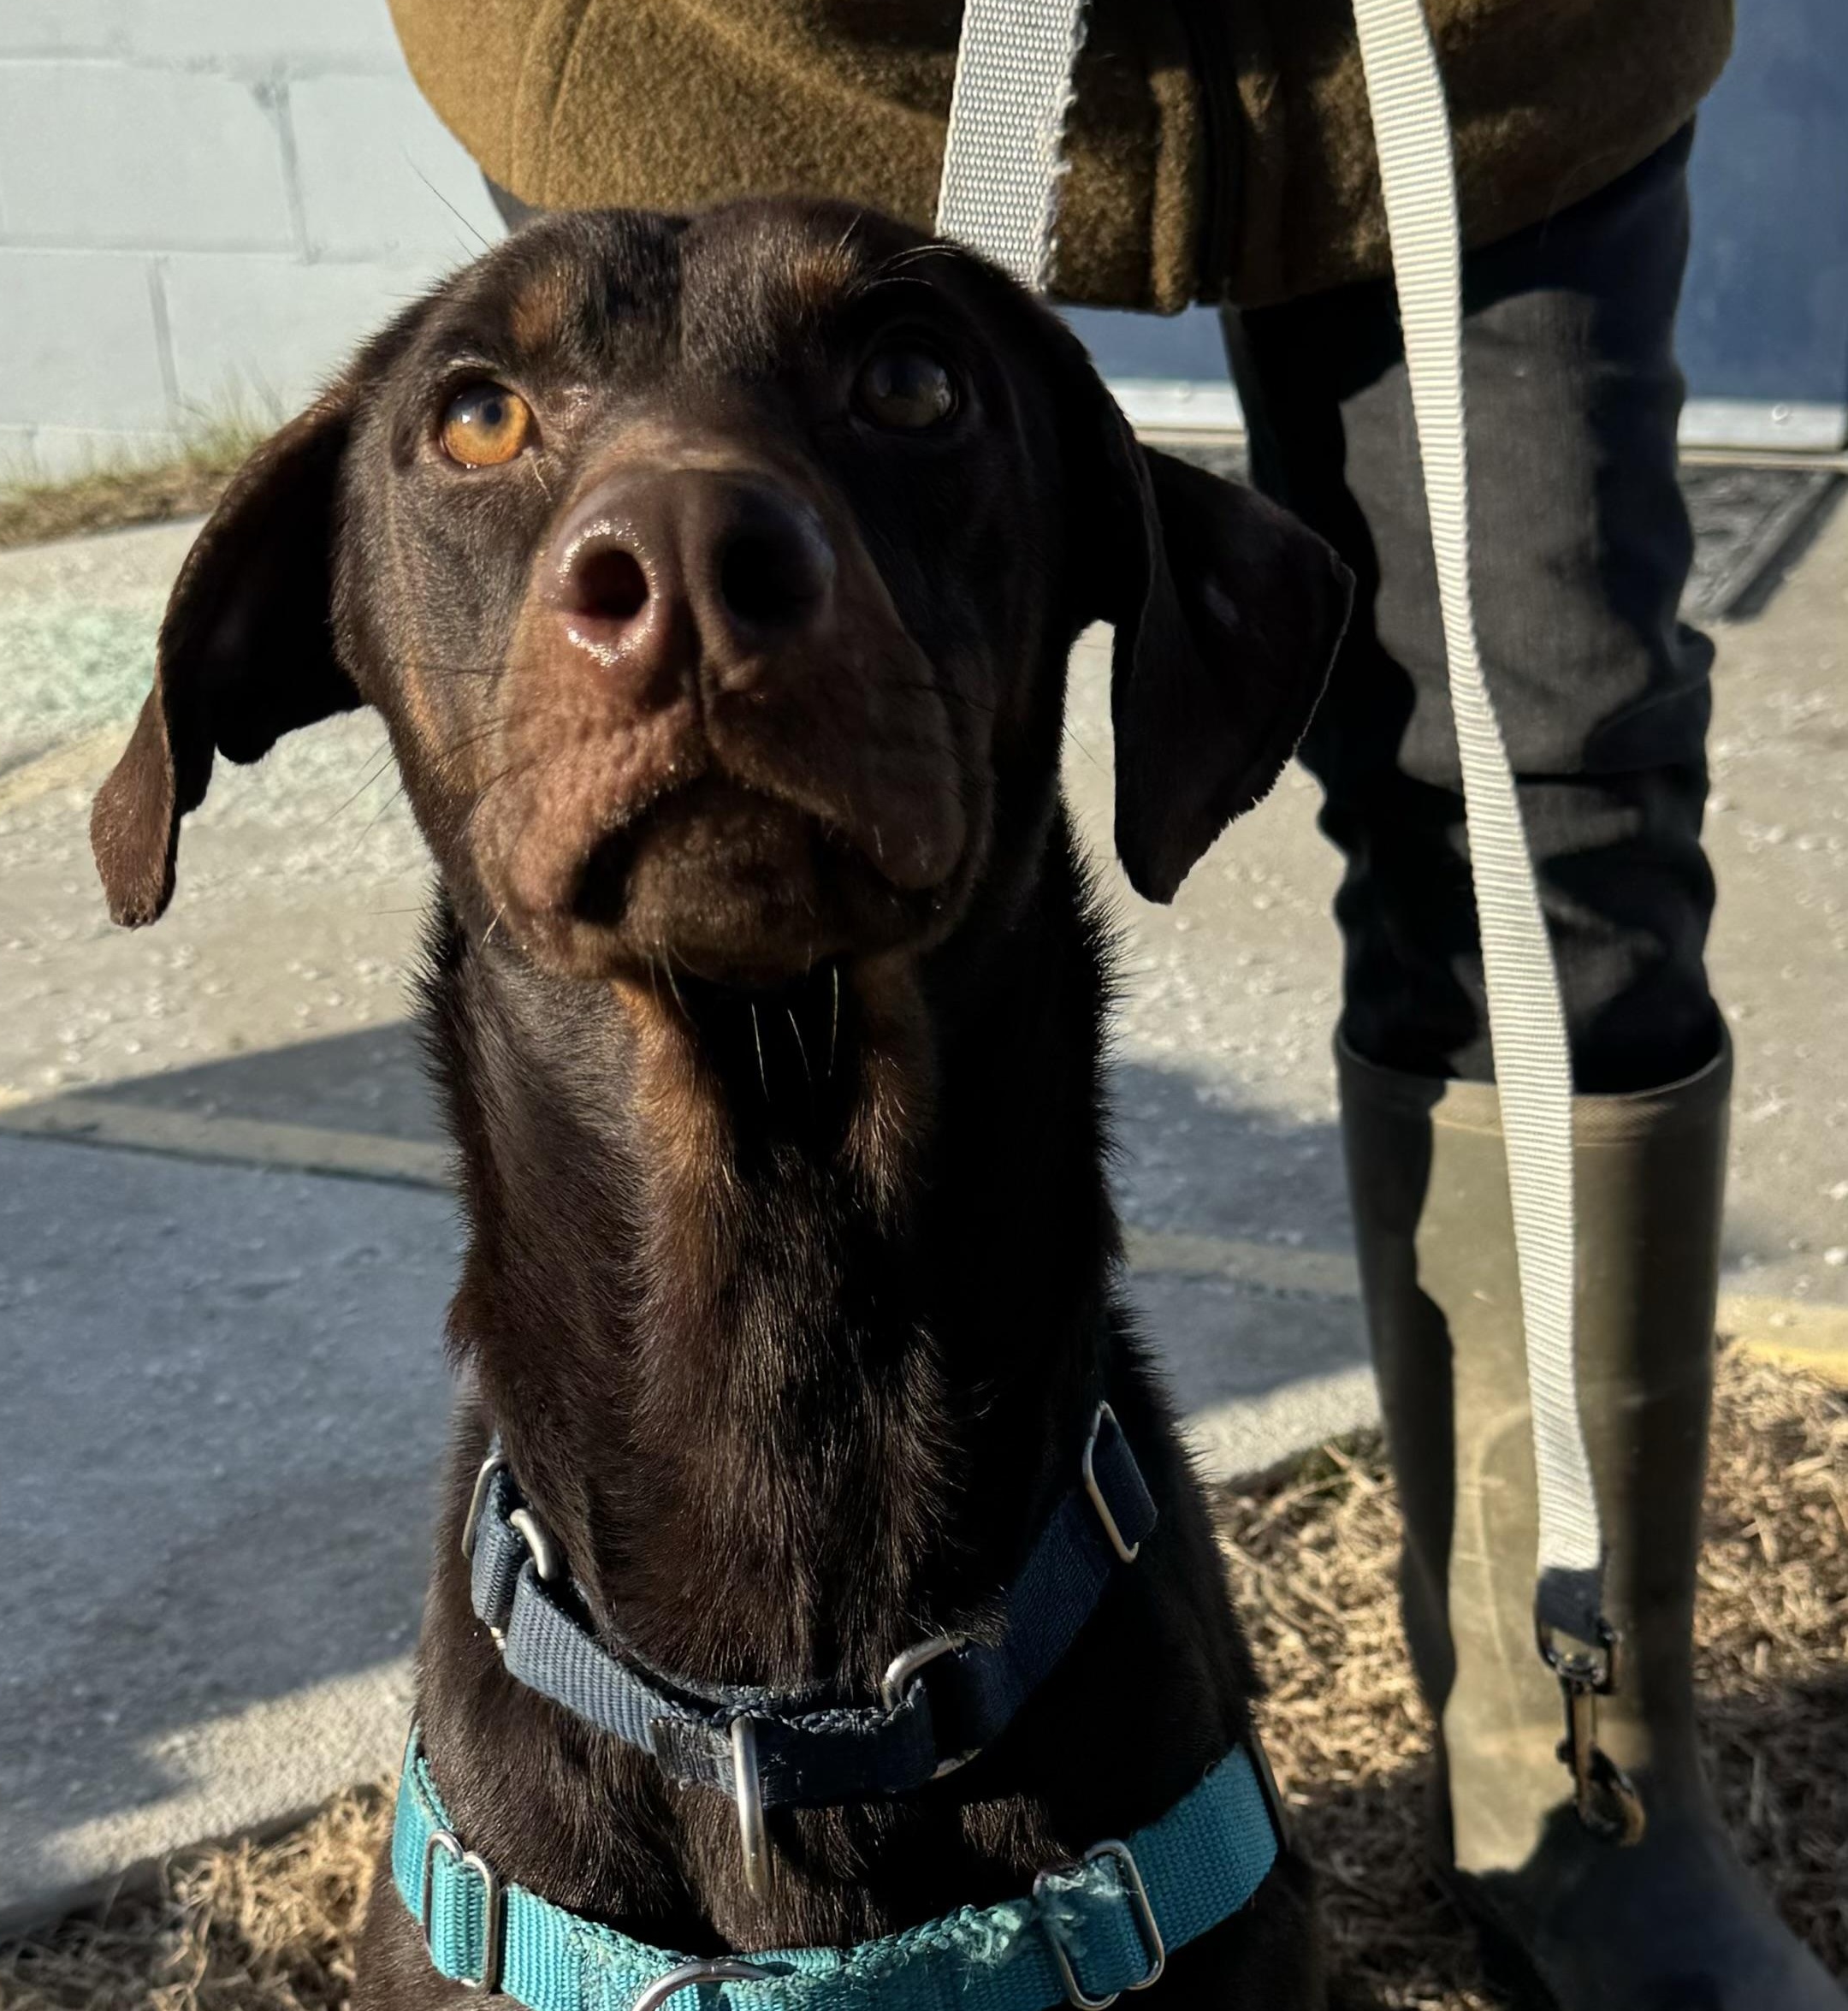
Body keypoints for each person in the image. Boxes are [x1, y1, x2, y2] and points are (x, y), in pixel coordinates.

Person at [384, 3, 1843, 2003]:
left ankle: (1584, 1783)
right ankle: (644, 1806)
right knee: (642, 664)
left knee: (1543, 779)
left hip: (1462, 45)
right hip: (775, 30)